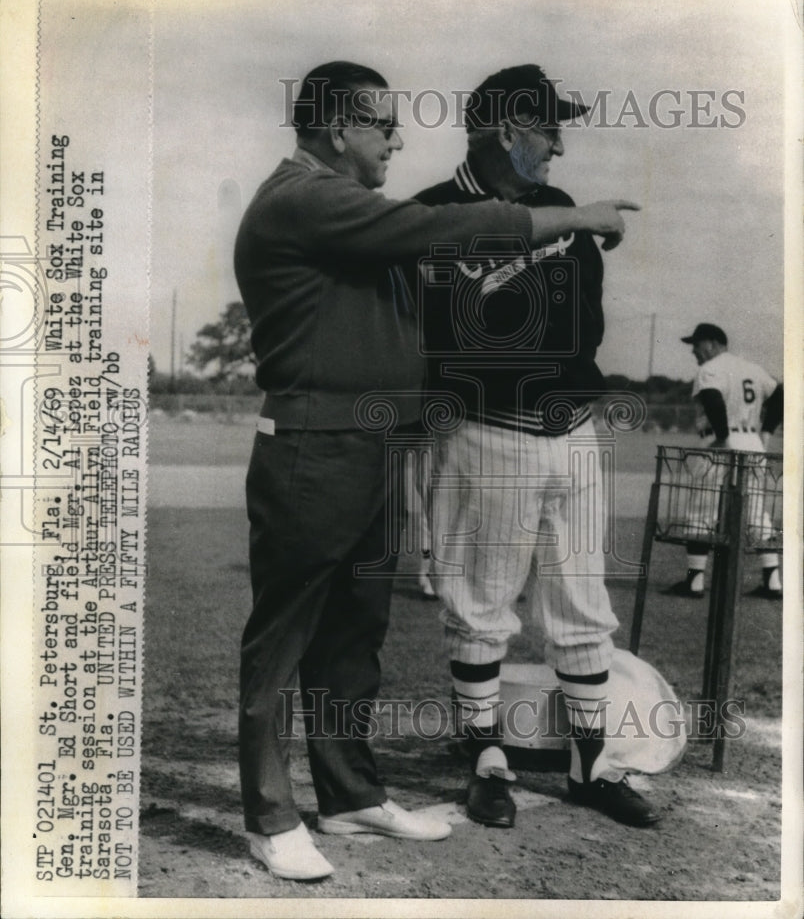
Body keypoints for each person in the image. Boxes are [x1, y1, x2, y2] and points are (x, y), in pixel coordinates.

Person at [233, 60, 639, 880]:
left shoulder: (336, 200)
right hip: (317, 441)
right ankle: (270, 817)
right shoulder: (302, 195)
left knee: (354, 635)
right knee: (282, 641)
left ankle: (349, 798)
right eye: (382, 123)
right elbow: (434, 233)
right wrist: (576, 217)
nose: (397, 135)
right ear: (337, 129)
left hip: (374, 441)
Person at [415, 64, 659, 830]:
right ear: (502, 130)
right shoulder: (434, 211)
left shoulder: (564, 207)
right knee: (482, 608)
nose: (559, 140)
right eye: (547, 125)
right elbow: (431, 331)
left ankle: (590, 768)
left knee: (584, 605)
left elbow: (583, 320)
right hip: (488, 434)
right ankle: (487, 760)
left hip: (573, 432)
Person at [666, 323, 783, 599]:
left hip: (719, 443)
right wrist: (767, 430)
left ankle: (694, 582)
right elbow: (779, 394)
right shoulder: (752, 368)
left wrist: (722, 436)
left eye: (696, 344)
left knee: (702, 509)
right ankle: (773, 581)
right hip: (752, 443)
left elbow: (712, 397)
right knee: (755, 512)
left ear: (712, 343)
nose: (694, 350)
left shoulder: (710, 369)